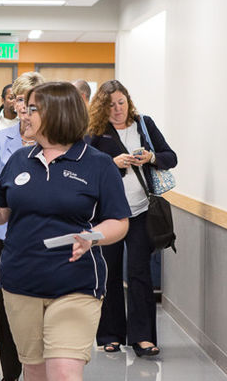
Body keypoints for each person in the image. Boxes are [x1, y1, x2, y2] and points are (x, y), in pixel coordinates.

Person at [0, 82, 131, 381]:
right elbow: (0, 210)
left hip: (75, 283)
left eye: (32, 109)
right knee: (34, 371)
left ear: (58, 114)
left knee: (64, 373)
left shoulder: (97, 164)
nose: (23, 114)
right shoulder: (21, 159)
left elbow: (119, 221)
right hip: (21, 282)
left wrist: (92, 236)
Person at [86, 79, 177, 357]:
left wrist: (150, 157)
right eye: (111, 105)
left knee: (139, 273)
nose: (117, 109)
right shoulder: (96, 133)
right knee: (110, 273)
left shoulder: (144, 125)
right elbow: (85, 166)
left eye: (121, 102)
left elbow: (170, 157)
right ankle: (110, 334)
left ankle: (142, 337)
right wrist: (111, 164)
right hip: (110, 214)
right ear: (102, 108)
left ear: (129, 101)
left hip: (141, 211)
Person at [0, 73, 43, 381]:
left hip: (42, 239)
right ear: (13, 103)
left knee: (39, 313)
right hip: (3, 237)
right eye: (20, 102)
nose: (24, 110)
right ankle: (11, 374)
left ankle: (38, 371)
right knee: (5, 309)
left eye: (32, 104)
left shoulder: (54, 142)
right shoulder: (1, 138)